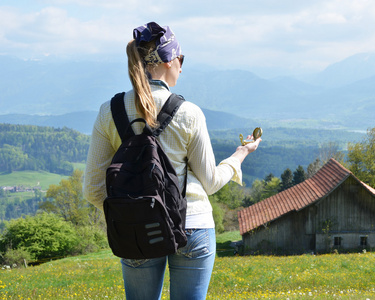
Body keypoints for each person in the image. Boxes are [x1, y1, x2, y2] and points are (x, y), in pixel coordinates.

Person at [83, 21, 261, 300]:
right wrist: (240, 154)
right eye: (181, 58)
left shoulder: (110, 111)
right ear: (168, 61)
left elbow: (93, 189)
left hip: (135, 229)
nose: (182, 65)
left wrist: (134, 212)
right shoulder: (189, 113)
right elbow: (211, 182)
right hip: (192, 224)